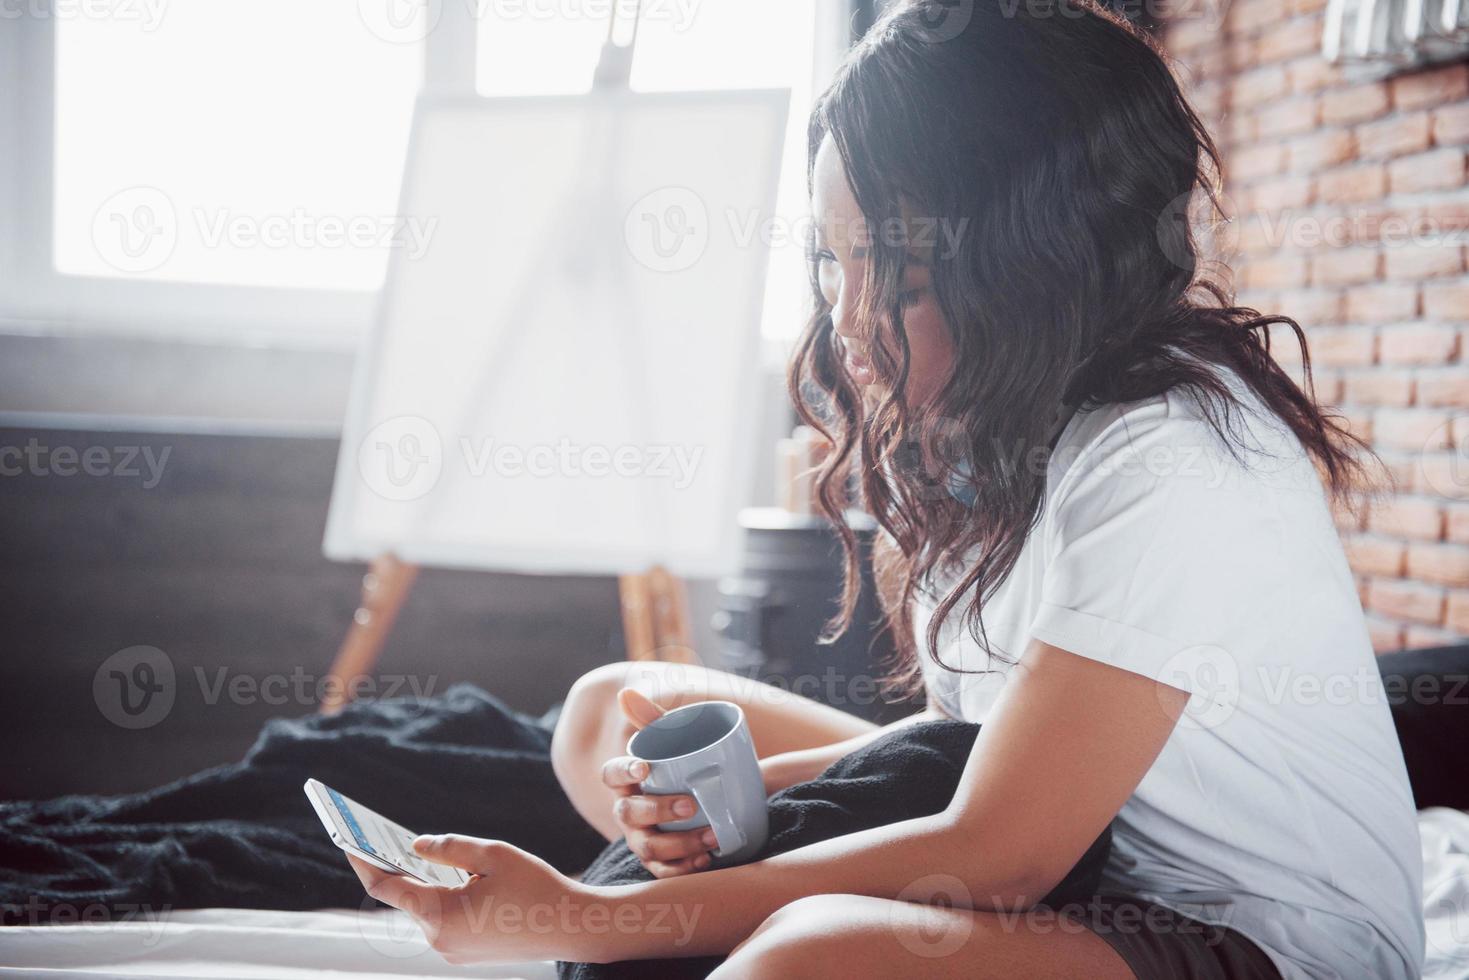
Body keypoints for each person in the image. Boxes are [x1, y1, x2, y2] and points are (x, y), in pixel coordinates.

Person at [349, 2, 1426, 976]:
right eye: (832, 260)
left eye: (903, 277)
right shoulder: (984, 429)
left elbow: (993, 850)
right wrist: (719, 796)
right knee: (605, 717)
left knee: (806, 958)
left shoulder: (1168, 458)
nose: (851, 324)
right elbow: (957, 749)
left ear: (1041, 262)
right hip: (1073, 852)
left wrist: (579, 915)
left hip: (1235, 926)